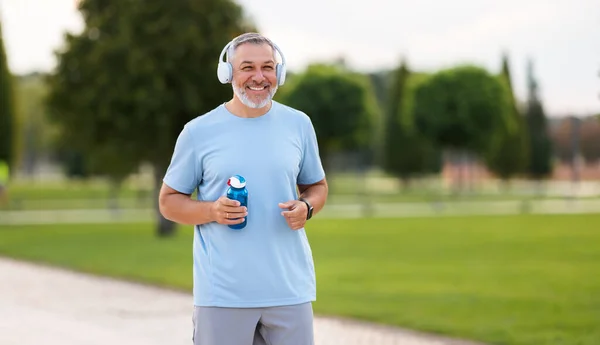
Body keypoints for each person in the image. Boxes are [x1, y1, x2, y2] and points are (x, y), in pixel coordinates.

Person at [158, 32, 328, 345]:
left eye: (268, 67)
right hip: (224, 294)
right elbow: (169, 202)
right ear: (228, 73)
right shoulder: (198, 132)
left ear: (279, 73)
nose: (259, 77)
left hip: (290, 290)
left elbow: (316, 185)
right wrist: (211, 210)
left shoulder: (299, 124)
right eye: (247, 67)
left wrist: (307, 207)